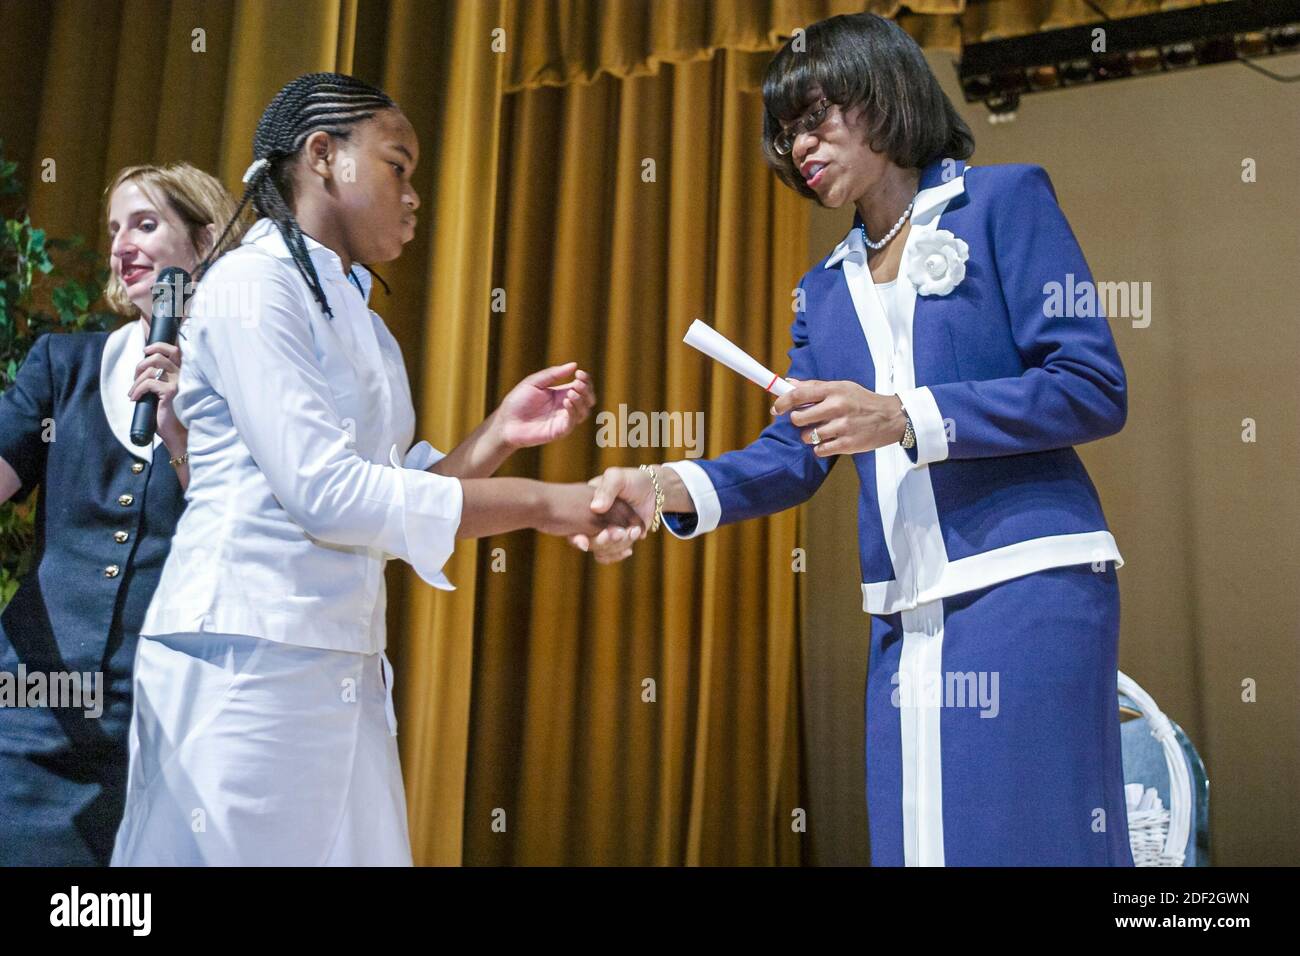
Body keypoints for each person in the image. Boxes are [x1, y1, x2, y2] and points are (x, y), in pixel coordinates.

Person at [579, 13, 1134, 866]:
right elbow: (795, 455)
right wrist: (662, 488)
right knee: (920, 847)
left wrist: (905, 416)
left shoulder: (1004, 200)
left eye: (814, 115)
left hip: (1028, 584)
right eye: (784, 131)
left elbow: (1091, 387)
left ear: (883, 92)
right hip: (903, 610)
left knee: (1031, 841)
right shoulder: (822, 291)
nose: (797, 144)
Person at [108, 72, 640, 866]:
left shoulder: (361, 319)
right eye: (398, 165)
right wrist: (548, 505)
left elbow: (388, 502)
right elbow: (330, 496)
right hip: (246, 651)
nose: (414, 194)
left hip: (339, 657)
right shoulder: (254, 286)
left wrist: (497, 435)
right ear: (323, 156)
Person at [0, 162, 244, 864]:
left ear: (205, 240)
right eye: (114, 230)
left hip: (170, 712)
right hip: (35, 699)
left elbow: (244, 525)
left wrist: (179, 435)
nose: (121, 246)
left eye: (145, 224)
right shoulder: (64, 365)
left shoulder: (246, 385)